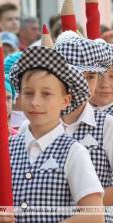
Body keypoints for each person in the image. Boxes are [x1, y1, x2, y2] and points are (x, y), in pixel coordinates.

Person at [0, 46, 104, 223]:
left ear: (65, 100)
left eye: (46, 94)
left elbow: (94, 215)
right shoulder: (5, 150)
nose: (35, 102)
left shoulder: (74, 152)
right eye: (28, 93)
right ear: (19, 97)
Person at [54, 32, 113, 216]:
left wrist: (82, 208)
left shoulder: (107, 125)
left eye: (90, 77)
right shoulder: (35, 125)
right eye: (76, 75)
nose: (83, 83)